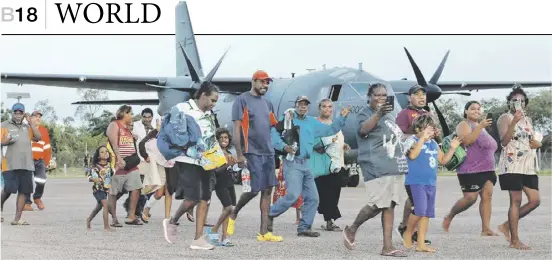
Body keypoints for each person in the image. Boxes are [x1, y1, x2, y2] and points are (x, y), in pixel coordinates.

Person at [342, 83, 408, 257]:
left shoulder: (389, 116)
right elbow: (363, 130)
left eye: (384, 95)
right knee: (377, 204)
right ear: (369, 97)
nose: (381, 98)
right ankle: (352, 228)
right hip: (375, 165)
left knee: (390, 205)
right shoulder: (365, 113)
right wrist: (379, 113)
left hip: (393, 164)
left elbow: (397, 137)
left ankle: (387, 247)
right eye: (377, 95)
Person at [270, 96, 350, 238]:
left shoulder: (311, 122)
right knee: (293, 195)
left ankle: (304, 227)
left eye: (305, 104)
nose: (303, 107)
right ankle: (269, 214)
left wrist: (342, 118)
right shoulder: (288, 119)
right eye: (300, 104)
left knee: (313, 198)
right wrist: (283, 146)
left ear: (308, 107)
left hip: (306, 164)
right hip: (293, 162)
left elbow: (330, 130)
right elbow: (273, 134)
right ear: (295, 105)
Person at [162, 81, 220, 250]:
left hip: (206, 160)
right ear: (203, 95)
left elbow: (211, 137)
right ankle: (172, 221)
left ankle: (198, 239)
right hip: (187, 160)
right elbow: (172, 134)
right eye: (213, 100)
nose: (214, 104)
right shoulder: (182, 108)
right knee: (193, 198)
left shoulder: (209, 114)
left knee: (205, 198)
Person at [226, 70, 282, 242]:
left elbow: (274, 126)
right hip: (251, 152)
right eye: (263, 82)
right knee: (254, 189)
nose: (265, 85)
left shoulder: (268, 103)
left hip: (268, 152)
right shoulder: (241, 100)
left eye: (267, 83)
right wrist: (240, 154)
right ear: (254, 81)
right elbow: (236, 129)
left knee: (267, 190)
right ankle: (233, 214)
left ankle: (264, 232)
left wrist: (289, 121)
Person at [402, 115, 460, 252]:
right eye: (427, 129)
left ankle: (421, 243)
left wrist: (452, 148)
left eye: (431, 129)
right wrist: (422, 138)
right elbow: (412, 155)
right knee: (419, 210)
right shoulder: (411, 140)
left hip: (430, 183)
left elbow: (443, 160)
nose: (430, 132)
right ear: (418, 129)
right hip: (415, 182)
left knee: (426, 214)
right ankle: (408, 232)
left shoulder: (433, 144)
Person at [442, 101, 499, 236]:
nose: (476, 111)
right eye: (473, 109)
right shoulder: (464, 124)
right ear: (466, 111)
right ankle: (450, 215)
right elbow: (467, 141)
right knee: (470, 197)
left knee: (487, 197)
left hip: (488, 169)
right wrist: (480, 126)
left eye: (479, 109)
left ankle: (486, 229)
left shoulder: (483, 127)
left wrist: (481, 127)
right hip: (470, 169)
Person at [496, 85, 541, 250]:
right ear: (509, 102)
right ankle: (514, 241)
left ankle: (506, 225)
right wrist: (514, 122)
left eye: (522, 100)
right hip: (512, 164)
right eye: (515, 100)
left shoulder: (528, 120)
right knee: (516, 200)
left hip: (528, 166)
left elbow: (531, 141)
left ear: (526, 103)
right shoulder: (505, 118)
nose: (518, 103)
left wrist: (537, 143)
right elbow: (504, 141)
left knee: (535, 200)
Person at [394, 85, 435, 245]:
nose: (421, 97)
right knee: (414, 196)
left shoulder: (427, 114)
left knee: (415, 198)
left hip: (425, 158)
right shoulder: (404, 114)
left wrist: (433, 134)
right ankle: (408, 229)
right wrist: (417, 132)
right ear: (409, 97)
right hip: (412, 156)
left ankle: (409, 228)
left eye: (423, 94)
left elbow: (431, 135)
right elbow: (399, 135)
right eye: (417, 94)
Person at [312, 99, 350, 231]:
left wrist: (343, 145)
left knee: (335, 193)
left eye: (329, 106)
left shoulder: (335, 124)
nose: (327, 109)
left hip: (337, 163)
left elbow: (337, 140)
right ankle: (329, 221)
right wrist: (325, 144)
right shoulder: (315, 123)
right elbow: (315, 143)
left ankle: (329, 219)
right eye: (324, 106)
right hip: (323, 164)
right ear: (319, 108)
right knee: (325, 193)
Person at [1, 103, 42, 225]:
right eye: (15, 112)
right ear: (12, 113)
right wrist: (4, 142)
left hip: (26, 164)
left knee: (24, 191)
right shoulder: (4, 125)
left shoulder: (27, 127)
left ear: (24, 114)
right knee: (9, 188)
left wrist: (30, 122)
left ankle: (17, 219)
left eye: (20, 113)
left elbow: (38, 137)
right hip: (9, 164)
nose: (18, 115)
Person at [106, 105, 144, 226]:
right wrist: (119, 158)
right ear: (124, 113)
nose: (132, 116)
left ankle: (131, 216)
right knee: (113, 192)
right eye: (130, 114)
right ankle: (113, 218)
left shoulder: (127, 129)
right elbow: (112, 141)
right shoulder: (115, 124)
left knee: (136, 188)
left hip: (131, 164)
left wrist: (133, 137)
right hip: (118, 164)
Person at [205, 128, 239, 247]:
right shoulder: (215, 153)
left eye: (226, 138)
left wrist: (235, 164)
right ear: (217, 140)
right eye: (221, 138)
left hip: (230, 183)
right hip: (220, 184)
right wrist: (227, 164)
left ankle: (225, 238)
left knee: (229, 210)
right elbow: (215, 172)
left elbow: (231, 169)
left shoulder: (229, 152)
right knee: (229, 208)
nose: (224, 140)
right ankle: (214, 229)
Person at [138, 119, 174, 222]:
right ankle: (146, 208)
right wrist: (146, 156)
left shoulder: (174, 134)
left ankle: (167, 218)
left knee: (169, 191)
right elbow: (141, 144)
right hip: (159, 165)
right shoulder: (154, 132)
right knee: (159, 192)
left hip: (171, 164)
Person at [23, 111, 52, 211]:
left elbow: (47, 147)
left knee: (42, 180)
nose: (38, 118)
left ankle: (37, 197)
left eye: (39, 117)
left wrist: (47, 162)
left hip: (40, 160)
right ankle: (26, 203)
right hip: (27, 159)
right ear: (30, 118)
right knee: (27, 182)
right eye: (35, 117)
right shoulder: (25, 128)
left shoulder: (44, 130)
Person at [86, 145, 113, 231]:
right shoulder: (96, 167)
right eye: (102, 152)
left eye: (106, 151)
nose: (105, 153)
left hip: (105, 190)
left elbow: (111, 175)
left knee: (99, 207)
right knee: (105, 204)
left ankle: (89, 219)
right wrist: (94, 179)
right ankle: (106, 226)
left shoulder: (109, 166)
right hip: (98, 190)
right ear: (98, 156)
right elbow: (89, 177)